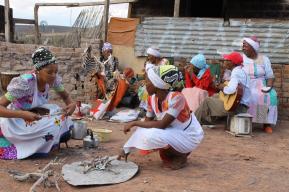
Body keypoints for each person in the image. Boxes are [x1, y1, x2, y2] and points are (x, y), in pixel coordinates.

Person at [118, 65, 204, 170]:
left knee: (153, 134)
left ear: (157, 84)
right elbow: (146, 124)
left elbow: (162, 125)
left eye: (148, 81)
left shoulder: (176, 98)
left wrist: (134, 123)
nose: (145, 85)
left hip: (189, 136)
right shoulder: (152, 99)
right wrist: (126, 148)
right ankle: (174, 154)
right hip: (174, 133)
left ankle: (181, 156)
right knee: (146, 130)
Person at [0, 47, 76, 160]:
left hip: (33, 116)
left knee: (60, 114)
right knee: (53, 125)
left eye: (56, 71)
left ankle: (45, 140)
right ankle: (30, 146)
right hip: (16, 121)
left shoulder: (53, 80)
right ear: (37, 70)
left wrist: (72, 104)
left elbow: (65, 96)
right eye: (49, 72)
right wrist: (24, 114)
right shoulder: (25, 83)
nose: (54, 75)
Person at [194, 52, 250, 124]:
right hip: (242, 105)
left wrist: (219, 86)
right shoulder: (242, 70)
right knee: (215, 96)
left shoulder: (236, 72)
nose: (224, 61)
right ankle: (210, 121)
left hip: (237, 108)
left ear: (232, 62)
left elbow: (230, 90)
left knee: (207, 101)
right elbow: (234, 86)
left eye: (227, 60)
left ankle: (193, 123)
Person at [242, 36, 278, 133]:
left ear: (253, 47)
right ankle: (246, 121)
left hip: (261, 84)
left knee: (268, 95)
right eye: (243, 45)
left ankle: (266, 123)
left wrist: (268, 87)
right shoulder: (243, 58)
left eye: (245, 46)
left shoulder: (263, 59)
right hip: (246, 84)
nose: (243, 48)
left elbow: (270, 75)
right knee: (250, 94)